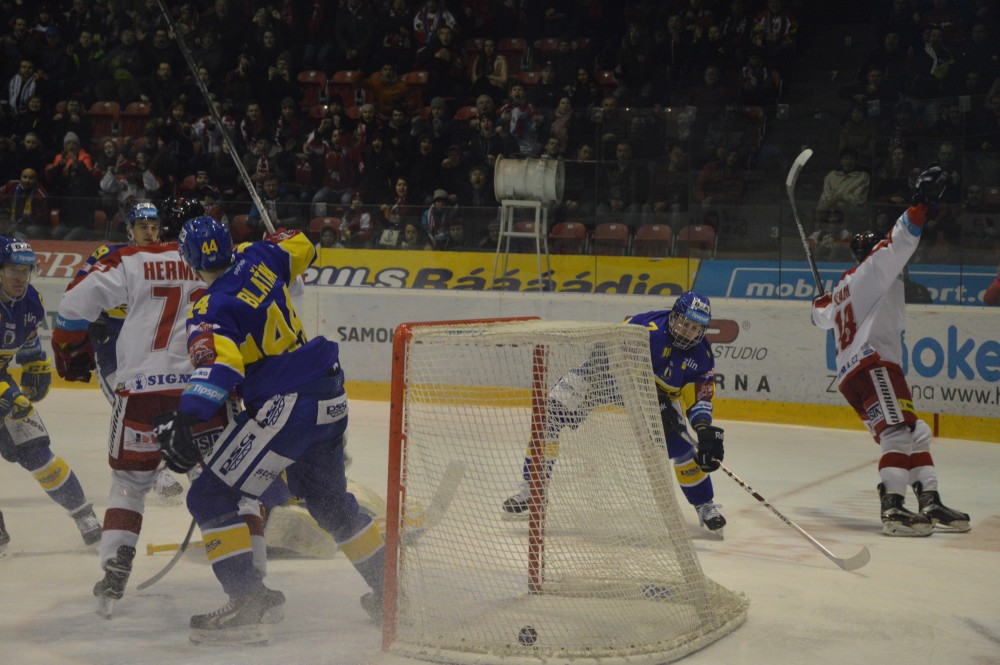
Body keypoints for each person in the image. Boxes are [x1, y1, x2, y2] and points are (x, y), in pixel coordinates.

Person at [153, 218, 385, 644]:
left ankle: (247, 601)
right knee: (330, 503)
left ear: (188, 262)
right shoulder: (259, 254)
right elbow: (304, 245)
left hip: (288, 404)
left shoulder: (209, 307)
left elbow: (220, 368)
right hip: (329, 392)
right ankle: (390, 593)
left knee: (208, 496)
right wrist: (274, 239)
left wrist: (186, 417)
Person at [51, 208, 243, 617]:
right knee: (226, 485)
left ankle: (115, 565)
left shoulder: (129, 258)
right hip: (206, 389)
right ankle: (251, 586)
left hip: (142, 390)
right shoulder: (231, 258)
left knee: (129, 483)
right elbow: (285, 293)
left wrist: (68, 347)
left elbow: (73, 303)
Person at [811, 166, 970, 537]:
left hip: (855, 374)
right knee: (898, 431)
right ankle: (893, 507)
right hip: (874, 364)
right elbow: (898, 242)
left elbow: (819, 316)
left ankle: (929, 499)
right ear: (871, 254)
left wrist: (820, 301)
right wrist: (920, 206)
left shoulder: (842, 288)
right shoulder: (873, 271)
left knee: (917, 432)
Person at [503, 291, 728, 535]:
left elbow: (698, 397)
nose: (687, 331)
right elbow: (610, 359)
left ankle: (704, 504)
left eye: (695, 328)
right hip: (606, 376)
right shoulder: (646, 328)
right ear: (674, 316)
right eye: (684, 323)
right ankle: (533, 488)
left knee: (682, 448)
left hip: (658, 398)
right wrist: (650, 400)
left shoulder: (702, 357)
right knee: (550, 416)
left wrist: (703, 429)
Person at [0, 237, 102, 550]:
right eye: (13, 270)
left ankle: (83, 514)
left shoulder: (32, 302)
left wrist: (34, 362)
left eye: (25, 270)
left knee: (36, 450)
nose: (21, 277)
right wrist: (5, 393)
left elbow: (28, 337)